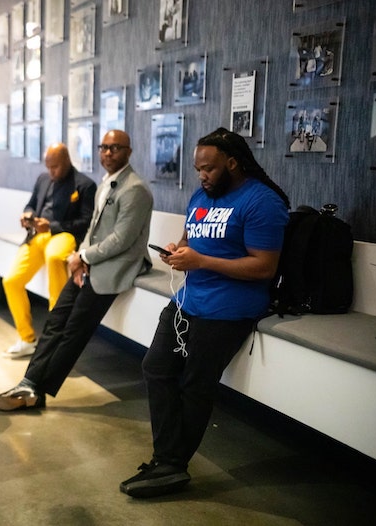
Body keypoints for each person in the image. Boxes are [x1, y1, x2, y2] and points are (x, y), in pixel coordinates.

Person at [120, 128, 290, 499]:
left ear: (233, 163)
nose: (202, 176)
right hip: (189, 301)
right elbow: (188, 241)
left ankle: (170, 465)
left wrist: (201, 261)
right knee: (155, 367)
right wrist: (176, 252)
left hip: (230, 309)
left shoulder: (262, 202)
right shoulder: (201, 196)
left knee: (196, 384)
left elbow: (264, 268)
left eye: (209, 169)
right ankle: (168, 459)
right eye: (198, 169)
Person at [0, 130, 152, 410]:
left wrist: (84, 256)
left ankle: (36, 392)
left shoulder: (134, 189)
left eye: (115, 148)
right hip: (90, 264)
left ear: (129, 151)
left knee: (72, 331)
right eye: (104, 147)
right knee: (55, 321)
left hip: (113, 269)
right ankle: (28, 383)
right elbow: (94, 229)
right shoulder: (106, 185)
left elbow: (121, 240)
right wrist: (80, 257)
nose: (108, 153)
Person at [1, 142, 96, 359]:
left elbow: (86, 222)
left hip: (63, 234)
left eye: (55, 167)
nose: (51, 171)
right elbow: (31, 204)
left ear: (67, 162)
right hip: (36, 236)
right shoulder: (43, 179)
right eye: (48, 166)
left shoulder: (85, 185)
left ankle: (57, 330)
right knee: (11, 281)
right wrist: (27, 216)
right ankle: (26, 339)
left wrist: (51, 226)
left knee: (54, 257)